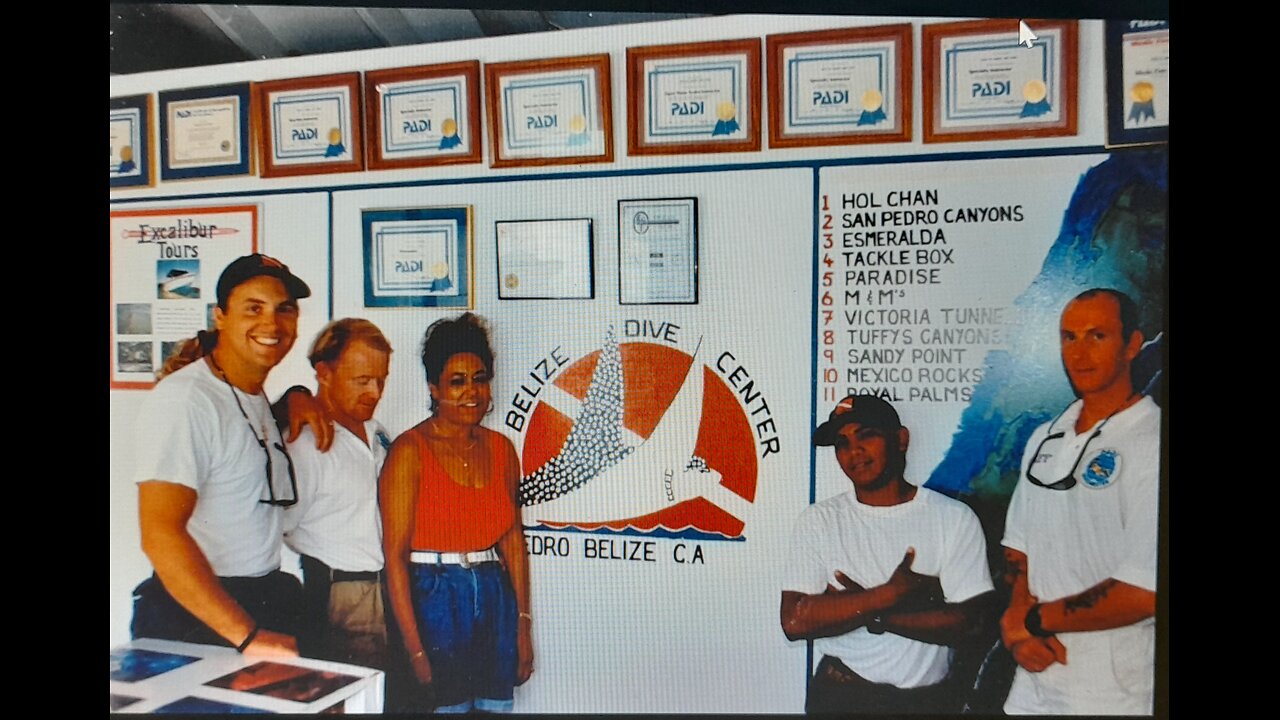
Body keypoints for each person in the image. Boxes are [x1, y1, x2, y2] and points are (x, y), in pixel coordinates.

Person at [131, 253, 313, 656]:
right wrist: (247, 637)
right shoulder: (184, 400)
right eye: (254, 308)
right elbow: (160, 534)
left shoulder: (249, 391)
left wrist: (297, 396)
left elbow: (240, 445)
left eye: (284, 309)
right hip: (200, 615)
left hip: (262, 596)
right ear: (221, 317)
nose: (272, 323)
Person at [781, 394, 995, 714]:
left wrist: (868, 612)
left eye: (867, 435)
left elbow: (971, 624)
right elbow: (796, 620)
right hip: (843, 698)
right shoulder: (820, 520)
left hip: (930, 703)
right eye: (842, 443)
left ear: (901, 440)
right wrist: (891, 594)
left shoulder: (952, 517)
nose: (854, 451)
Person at [1000, 288, 1160, 715]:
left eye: (1097, 336)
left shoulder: (1152, 442)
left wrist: (1033, 621)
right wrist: (1016, 621)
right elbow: (1020, 548)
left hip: (1114, 694)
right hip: (1034, 685)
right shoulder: (1046, 436)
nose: (1080, 352)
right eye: (1069, 337)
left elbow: (1145, 592)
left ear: (1132, 345)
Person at [380, 313, 534, 712]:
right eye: (457, 381)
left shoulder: (502, 449)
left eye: (480, 379)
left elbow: (513, 541)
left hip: (494, 594)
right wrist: (414, 650)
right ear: (434, 387)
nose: (472, 392)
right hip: (434, 596)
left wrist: (522, 626)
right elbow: (394, 557)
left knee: (495, 709)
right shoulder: (409, 452)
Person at [282, 319, 393, 668]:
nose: (374, 392)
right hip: (339, 595)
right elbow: (274, 530)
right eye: (362, 381)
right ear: (324, 373)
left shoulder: (376, 433)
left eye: (381, 380)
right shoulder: (304, 445)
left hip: (386, 590)